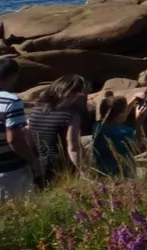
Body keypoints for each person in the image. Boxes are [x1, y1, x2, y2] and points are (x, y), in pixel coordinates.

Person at [28, 75, 88, 182]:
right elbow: (73, 147)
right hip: (62, 167)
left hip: (39, 164)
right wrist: (84, 172)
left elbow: (30, 136)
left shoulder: (35, 110)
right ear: (73, 94)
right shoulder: (71, 115)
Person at [0, 57, 41, 200]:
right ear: (12, 76)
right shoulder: (11, 101)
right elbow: (14, 140)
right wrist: (33, 160)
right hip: (10, 171)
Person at [91, 94, 143, 179]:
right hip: (123, 174)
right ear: (120, 115)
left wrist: (133, 100)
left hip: (103, 172)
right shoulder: (125, 132)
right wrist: (139, 122)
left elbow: (115, 114)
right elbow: (137, 146)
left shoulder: (97, 126)